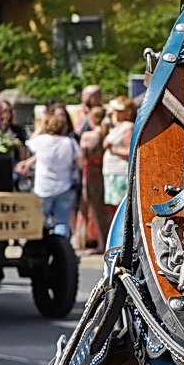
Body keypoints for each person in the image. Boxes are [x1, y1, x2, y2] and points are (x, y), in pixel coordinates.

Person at [17, 107, 81, 236]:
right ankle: (62, 245)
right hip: (65, 186)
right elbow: (79, 161)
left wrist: (42, 126)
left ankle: (43, 245)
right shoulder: (70, 142)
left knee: (40, 220)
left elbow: (30, 141)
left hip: (43, 187)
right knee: (62, 222)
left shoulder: (41, 141)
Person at [74, 87, 109, 252]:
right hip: (97, 169)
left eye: (85, 95)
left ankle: (100, 242)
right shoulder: (83, 114)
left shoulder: (97, 123)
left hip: (93, 170)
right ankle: (88, 239)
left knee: (96, 207)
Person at [102, 96, 136, 231]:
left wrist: (113, 148)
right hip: (112, 172)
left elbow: (129, 151)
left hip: (120, 173)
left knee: (120, 208)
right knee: (114, 208)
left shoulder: (128, 127)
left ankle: (122, 234)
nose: (115, 113)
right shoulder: (118, 126)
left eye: (118, 110)